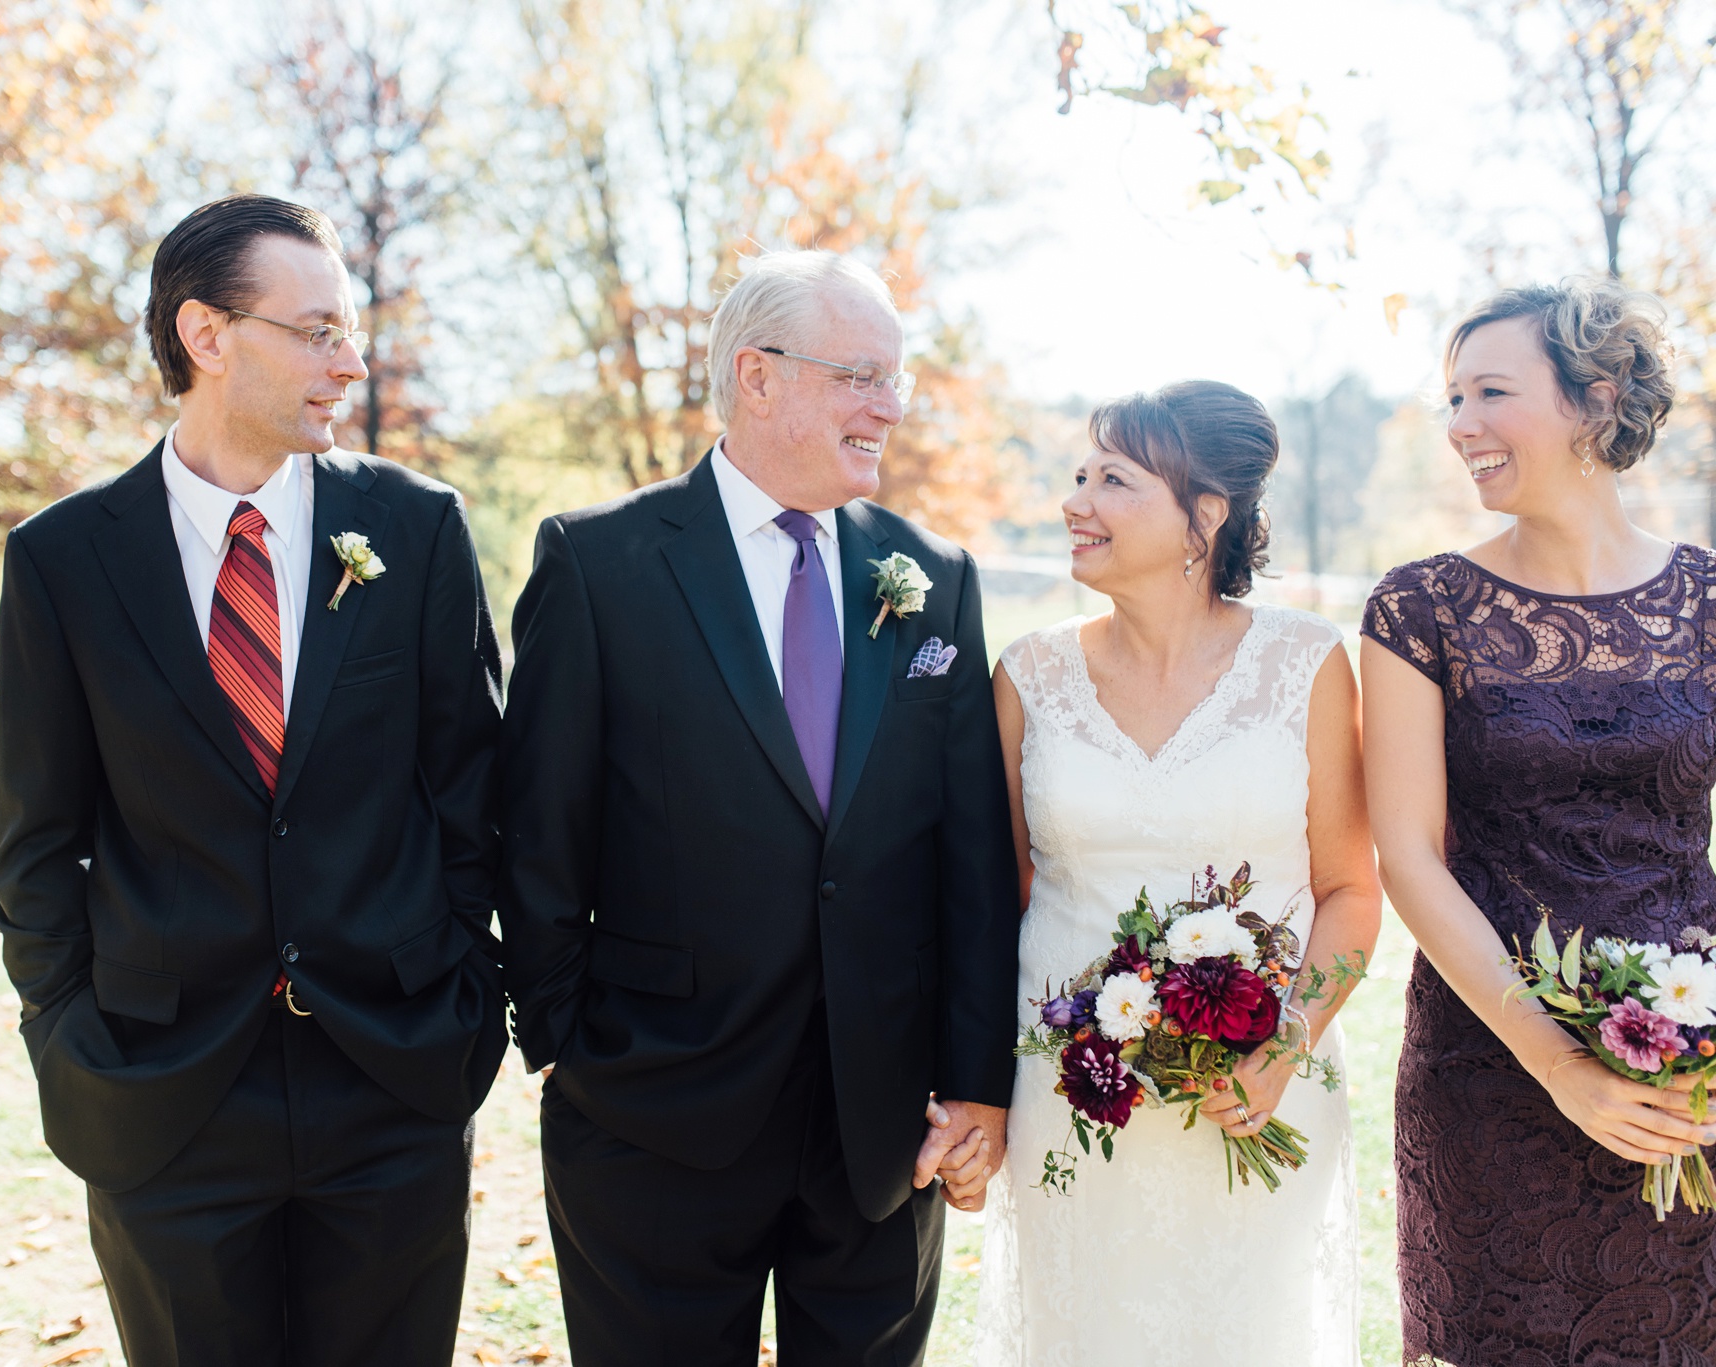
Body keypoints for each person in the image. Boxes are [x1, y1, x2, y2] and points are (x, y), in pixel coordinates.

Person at [0, 194, 506, 1367]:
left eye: (350, 330)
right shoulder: (62, 560)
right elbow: (35, 839)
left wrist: (459, 989)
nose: (349, 362)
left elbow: (475, 791)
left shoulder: (415, 528)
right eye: (316, 330)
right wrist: (66, 1036)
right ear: (206, 336)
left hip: (392, 1078)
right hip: (163, 1097)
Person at [497, 249, 1022, 1366]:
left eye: (897, 380)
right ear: (758, 376)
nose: (888, 406)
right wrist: (567, 1043)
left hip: (883, 1134)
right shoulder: (598, 564)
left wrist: (975, 1080)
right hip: (651, 1116)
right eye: (860, 376)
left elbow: (970, 856)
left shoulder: (935, 577)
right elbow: (537, 831)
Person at [975, 381, 1379, 1365]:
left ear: (1203, 513)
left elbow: (1347, 887)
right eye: (1077, 475)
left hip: (1257, 1093)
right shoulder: (1028, 672)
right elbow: (995, 894)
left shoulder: (1305, 661)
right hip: (1076, 1093)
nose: (1074, 501)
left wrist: (1282, 1042)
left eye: (1110, 478)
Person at [1361, 279, 1716, 1364]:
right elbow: (1409, 857)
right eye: (1450, 398)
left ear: (1591, 403)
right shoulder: (1418, 609)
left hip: (1690, 1072)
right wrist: (1557, 1061)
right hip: (1490, 1070)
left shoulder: (1705, 598)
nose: (1458, 424)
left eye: (1488, 392)